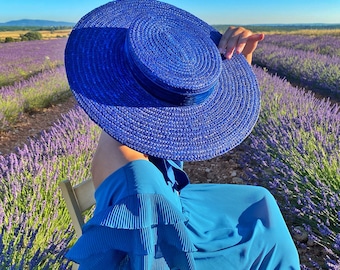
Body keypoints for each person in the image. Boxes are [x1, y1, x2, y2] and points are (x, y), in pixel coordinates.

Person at [64, 0, 300, 269]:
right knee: (263, 229)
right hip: (172, 243)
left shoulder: (140, 135)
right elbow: (155, 258)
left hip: (172, 209)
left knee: (261, 204)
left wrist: (238, 64)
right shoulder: (137, 183)